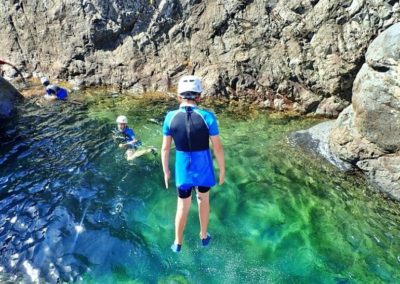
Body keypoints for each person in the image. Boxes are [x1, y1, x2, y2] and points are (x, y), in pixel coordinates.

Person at [161, 75, 225, 253]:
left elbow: (165, 149)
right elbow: (218, 148)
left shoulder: (170, 117)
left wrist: (166, 171)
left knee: (182, 205)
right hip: (203, 167)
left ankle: (177, 242)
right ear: (199, 96)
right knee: (203, 200)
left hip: (183, 168)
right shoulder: (207, 117)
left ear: (179, 95)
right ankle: (203, 236)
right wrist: (222, 171)